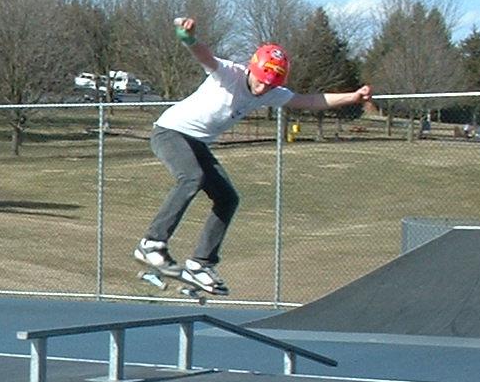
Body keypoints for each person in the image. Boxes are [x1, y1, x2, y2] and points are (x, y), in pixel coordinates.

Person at [135, 16, 372, 295]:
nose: (263, 89)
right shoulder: (228, 73)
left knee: (228, 198)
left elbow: (309, 101)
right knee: (191, 178)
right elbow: (204, 55)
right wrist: (187, 37)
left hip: (198, 142)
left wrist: (353, 96)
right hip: (169, 132)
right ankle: (152, 243)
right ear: (251, 69)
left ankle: (201, 262)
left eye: (270, 86)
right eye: (261, 82)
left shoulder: (270, 92)